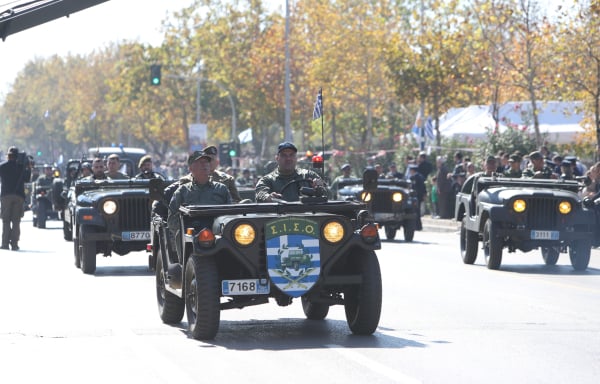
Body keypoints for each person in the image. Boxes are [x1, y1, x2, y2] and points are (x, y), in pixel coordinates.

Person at [168, 150, 231, 256]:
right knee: (180, 234)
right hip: (191, 236)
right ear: (191, 168)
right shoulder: (182, 191)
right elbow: (171, 219)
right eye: (200, 162)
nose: (205, 165)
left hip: (218, 234)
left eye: (206, 162)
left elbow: (230, 215)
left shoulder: (221, 189)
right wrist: (185, 229)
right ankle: (185, 267)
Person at [255, 142, 328, 202]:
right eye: (284, 155)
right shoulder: (267, 180)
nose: (288, 159)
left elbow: (329, 194)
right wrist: (268, 197)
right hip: (279, 218)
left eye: (291, 155)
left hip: (306, 217)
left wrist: (320, 188)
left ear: (296, 158)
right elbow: (260, 193)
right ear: (277, 158)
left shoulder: (308, 175)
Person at [0, 147, 31, 250]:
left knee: (6, 221)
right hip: (18, 196)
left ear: (8, 156)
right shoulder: (21, 167)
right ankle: (14, 244)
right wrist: (28, 166)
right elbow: (27, 179)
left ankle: (4, 244)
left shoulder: (2, 166)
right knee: (16, 221)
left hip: (5, 196)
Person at [408, 164, 425, 230]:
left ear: (412, 170)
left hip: (416, 196)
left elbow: (418, 187)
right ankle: (417, 226)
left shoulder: (416, 177)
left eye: (410, 170)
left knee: (416, 211)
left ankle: (417, 226)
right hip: (417, 196)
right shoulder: (418, 176)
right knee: (416, 211)